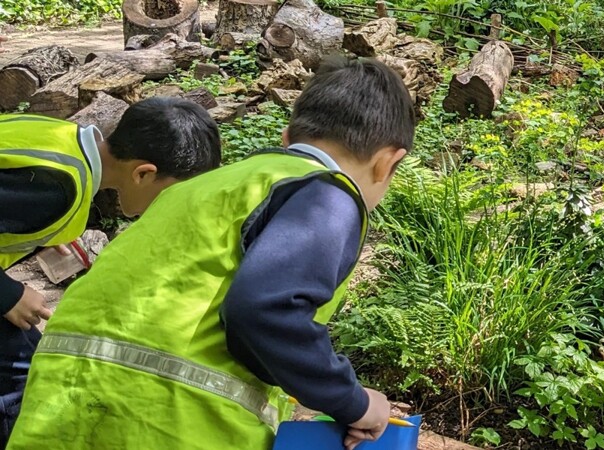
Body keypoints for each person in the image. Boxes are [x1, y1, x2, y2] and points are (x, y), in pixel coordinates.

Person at [9, 56, 416, 450]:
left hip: (60, 400)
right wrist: (354, 402)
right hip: (169, 420)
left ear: (288, 137)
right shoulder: (326, 196)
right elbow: (266, 312)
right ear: (386, 163)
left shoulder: (207, 186)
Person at [0, 97, 222, 446]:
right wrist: (9, 294)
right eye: (172, 196)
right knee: (21, 378)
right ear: (144, 173)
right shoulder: (58, 187)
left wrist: (39, 230)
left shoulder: (62, 138)